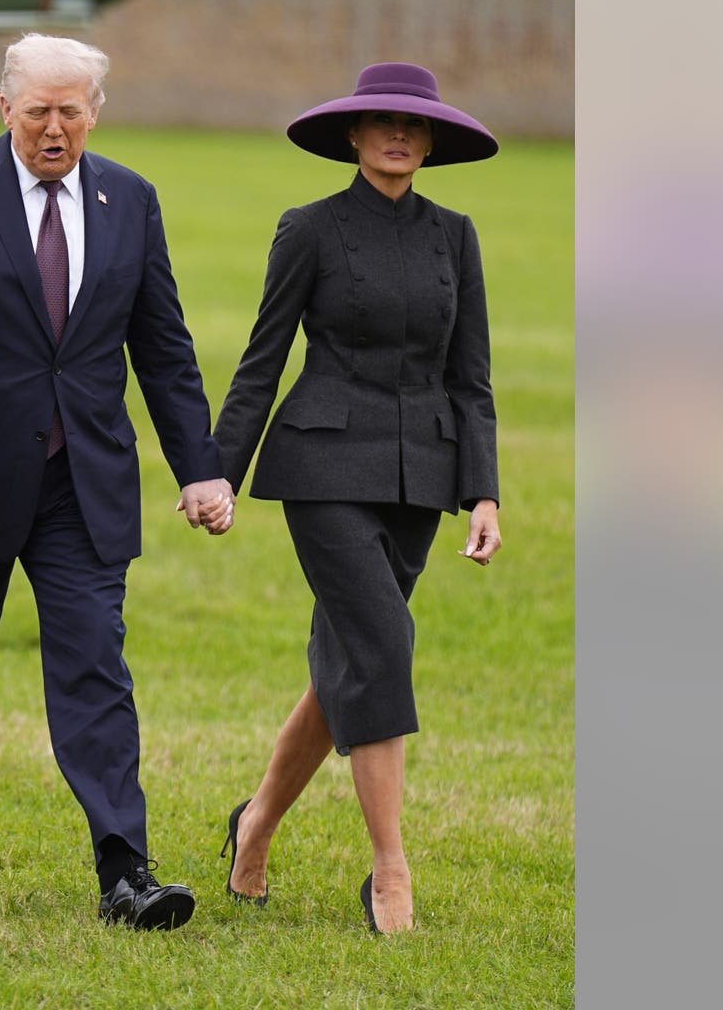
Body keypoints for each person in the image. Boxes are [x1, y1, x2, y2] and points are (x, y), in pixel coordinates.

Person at [0, 33, 236, 929]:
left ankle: (125, 872)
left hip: (81, 482)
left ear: (95, 111)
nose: (55, 129)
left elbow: (165, 349)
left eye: (71, 111)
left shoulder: (130, 201)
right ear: (6, 110)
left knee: (97, 671)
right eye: (38, 113)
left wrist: (200, 470)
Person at [211, 63, 502, 934]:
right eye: (382, 122)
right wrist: (220, 470)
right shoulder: (311, 229)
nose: (399, 136)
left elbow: (473, 380)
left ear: (433, 141)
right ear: (352, 133)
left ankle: (255, 821)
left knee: (350, 660)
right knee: (383, 643)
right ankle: (390, 869)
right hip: (325, 467)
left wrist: (483, 492)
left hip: (423, 476)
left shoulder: (456, 236)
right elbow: (262, 360)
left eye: (415, 126)